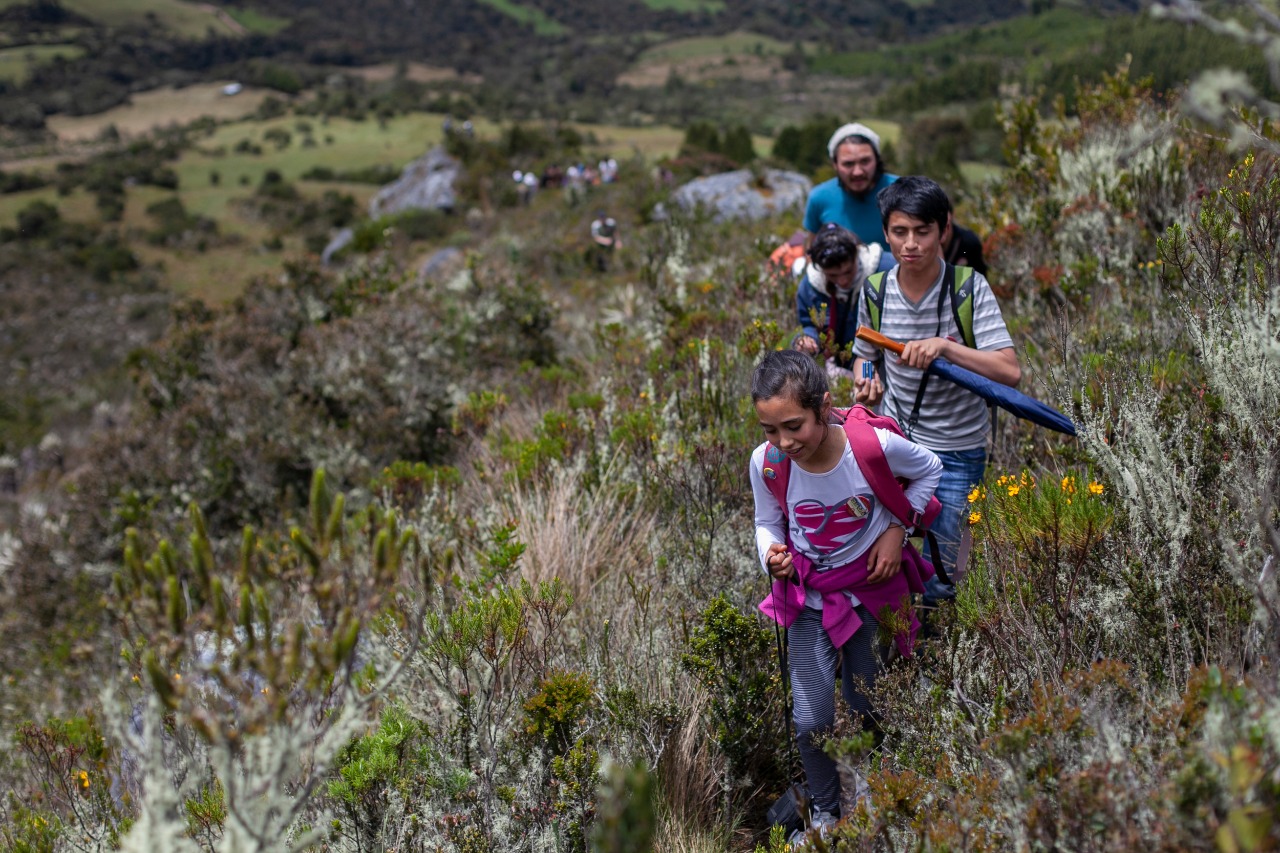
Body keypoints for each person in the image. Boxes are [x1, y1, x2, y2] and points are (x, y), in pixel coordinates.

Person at [750, 350, 942, 841]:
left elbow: (930, 469)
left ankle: (873, 803)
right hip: (809, 598)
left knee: (867, 705)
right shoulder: (767, 463)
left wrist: (898, 528)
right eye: (770, 430)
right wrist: (771, 553)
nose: (783, 441)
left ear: (823, 405)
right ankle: (824, 814)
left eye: (793, 426)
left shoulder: (870, 448)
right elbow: (767, 522)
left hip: (870, 595)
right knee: (810, 718)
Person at [852, 176, 1020, 609]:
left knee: (943, 565)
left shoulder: (968, 289)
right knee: (885, 552)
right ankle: (894, 638)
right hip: (897, 445)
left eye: (922, 231)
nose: (911, 244)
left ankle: (936, 646)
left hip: (957, 450)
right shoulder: (874, 292)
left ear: (943, 230)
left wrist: (946, 347)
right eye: (899, 232)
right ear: (885, 233)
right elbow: (866, 351)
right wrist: (867, 377)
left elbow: (1008, 371)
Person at [791, 224, 884, 380]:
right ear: (820, 269)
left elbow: (867, 353)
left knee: (869, 383)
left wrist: (868, 379)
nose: (843, 281)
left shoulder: (884, 273)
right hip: (845, 370)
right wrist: (806, 341)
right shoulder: (810, 287)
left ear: (858, 254)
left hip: (882, 364)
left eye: (848, 271)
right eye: (833, 275)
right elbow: (809, 325)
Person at [804, 123, 898, 250]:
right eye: (848, 164)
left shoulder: (901, 191)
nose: (857, 172)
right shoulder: (819, 198)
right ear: (835, 164)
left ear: (877, 159)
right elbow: (811, 249)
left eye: (865, 161)